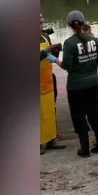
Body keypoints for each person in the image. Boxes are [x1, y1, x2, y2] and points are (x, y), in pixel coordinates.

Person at [60, 10, 98, 157]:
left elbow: (68, 66)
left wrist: (55, 60)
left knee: (79, 115)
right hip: (93, 81)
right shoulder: (93, 40)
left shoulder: (69, 43)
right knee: (94, 112)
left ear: (69, 25)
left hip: (76, 85)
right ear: (83, 22)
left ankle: (85, 150)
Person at [40, 16, 66, 155]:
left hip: (48, 79)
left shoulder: (45, 36)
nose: (41, 25)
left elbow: (48, 54)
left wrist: (55, 51)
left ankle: (51, 140)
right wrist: (45, 51)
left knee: (50, 111)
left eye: (42, 22)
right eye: (39, 23)